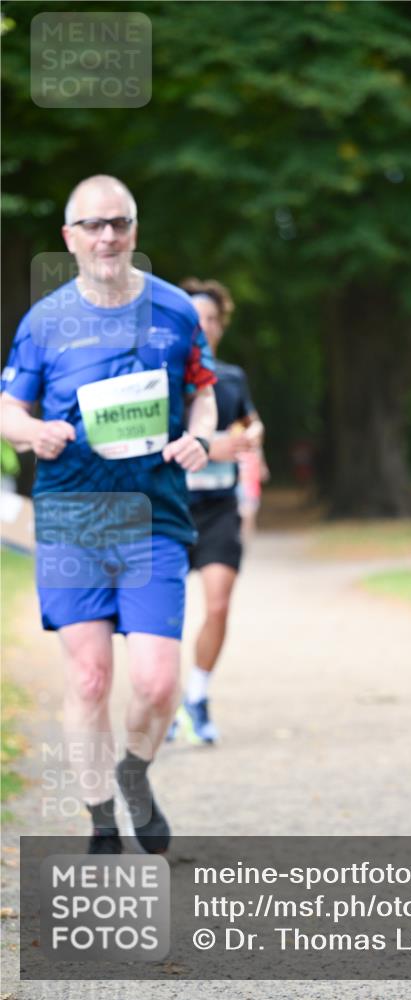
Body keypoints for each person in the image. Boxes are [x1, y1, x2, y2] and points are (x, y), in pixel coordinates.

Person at [0, 175, 218, 854]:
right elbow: (8, 410)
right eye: (92, 225)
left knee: (157, 681)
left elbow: (204, 392)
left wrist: (200, 436)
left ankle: (134, 772)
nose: (107, 236)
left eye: (118, 223)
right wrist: (33, 433)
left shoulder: (175, 310)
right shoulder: (44, 322)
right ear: (70, 238)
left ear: (134, 230)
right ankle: (100, 818)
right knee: (90, 675)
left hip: (154, 515)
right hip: (72, 517)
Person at [167, 278, 264, 745]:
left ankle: (197, 696)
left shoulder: (231, 378)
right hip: (170, 508)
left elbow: (250, 421)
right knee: (163, 615)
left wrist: (253, 435)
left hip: (219, 508)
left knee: (219, 604)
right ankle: (164, 701)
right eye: (194, 319)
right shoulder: (162, 376)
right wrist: (209, 447)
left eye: (210, 319)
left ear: (221, 327)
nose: (202, 327)